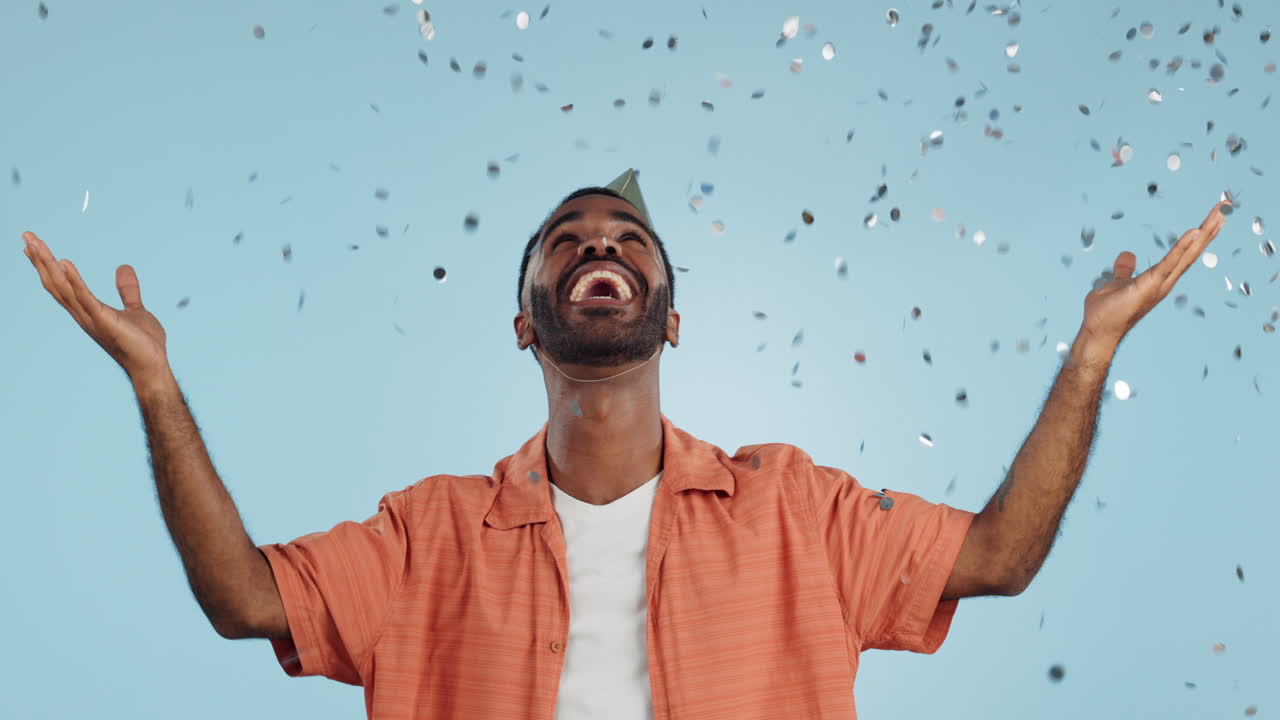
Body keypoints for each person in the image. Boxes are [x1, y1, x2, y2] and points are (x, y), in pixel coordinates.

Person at [21, 169, 1230, 720]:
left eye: (624, 237)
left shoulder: (791, 507)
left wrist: (1086, 357)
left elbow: (997, 555)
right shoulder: (425, 534)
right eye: (565, 238)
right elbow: (242, 600)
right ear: (524, 321)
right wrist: (155, 382)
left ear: (667, 310)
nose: (597, 244)